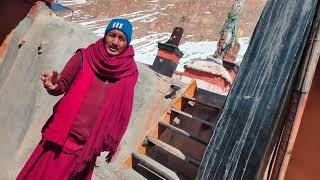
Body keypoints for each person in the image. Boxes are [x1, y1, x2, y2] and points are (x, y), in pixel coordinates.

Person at [17, 18, 139, 180]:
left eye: (121, 39)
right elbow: (62, 84)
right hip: (60, 141)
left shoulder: (128, 72)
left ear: (127, 43)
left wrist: (115, 139)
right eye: (112, 35)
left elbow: (122, 111)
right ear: (105, 36)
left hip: (84, 151)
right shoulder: (84, 57)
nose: (115, 42)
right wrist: (54, 86)